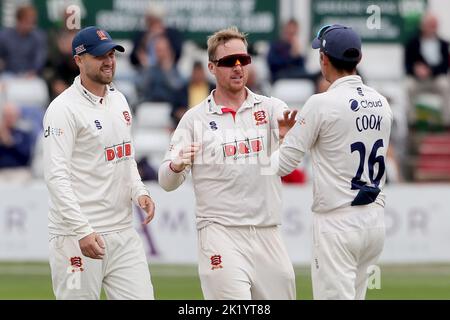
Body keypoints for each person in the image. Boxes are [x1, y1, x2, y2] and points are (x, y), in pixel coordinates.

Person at [158, 26, 297, 300]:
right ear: (212, 67)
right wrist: (176, 166)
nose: (237, 67)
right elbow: (165, 181)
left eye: (243, 60)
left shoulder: (271, 109)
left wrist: (284, 140)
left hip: (268, 231)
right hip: (220, 234)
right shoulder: (194, 119)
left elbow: (289, 164)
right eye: (228, 62)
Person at [271, 24, 393, 299]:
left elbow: (282, 165)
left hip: (337, 223)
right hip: (374, 221)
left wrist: (277, 140)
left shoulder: (320, 103)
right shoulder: (382, 102)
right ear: (358, 59)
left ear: (324, 59)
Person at [43, 26, 155, 300]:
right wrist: (82, 231)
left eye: (111, 54)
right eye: (99, 56)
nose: (108, 61)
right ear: (79, 60)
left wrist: (139, 191)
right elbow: (56, 177)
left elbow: (126, 156)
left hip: (122, 232)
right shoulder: (62, 109)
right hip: (75, 237)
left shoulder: (119, 100)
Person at [404, 12, 450, 127]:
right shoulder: (412, 43)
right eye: (429, 25)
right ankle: (412, 121)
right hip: (418, 80)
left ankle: (446, 122)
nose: (431, 28)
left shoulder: (444, 44)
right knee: (408, 86)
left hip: (436, 78)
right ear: (422, 25)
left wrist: (430, 70)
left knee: (445, 85)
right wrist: (416, 70)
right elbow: (407, 65)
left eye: (434, 25)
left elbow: (445, 65)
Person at [0, 4, 47, 76]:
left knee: (40, 86)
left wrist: (33, 71)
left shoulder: (39, 36)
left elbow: (39, 60)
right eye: (27, 22)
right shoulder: (4, 36)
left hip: (31, 76)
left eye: (32, 22)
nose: (30, 25)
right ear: (18, 20)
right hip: (9, 75)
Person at [267, 19, 307, 83]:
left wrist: (298, 55)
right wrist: (291, 56)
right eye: (289, 33)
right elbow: (273, 65)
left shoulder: (296, 47)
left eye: (294, 33)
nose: (291, 36)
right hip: (280, 80)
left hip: (297, 80)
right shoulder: (275, 46)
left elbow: (302, 68)